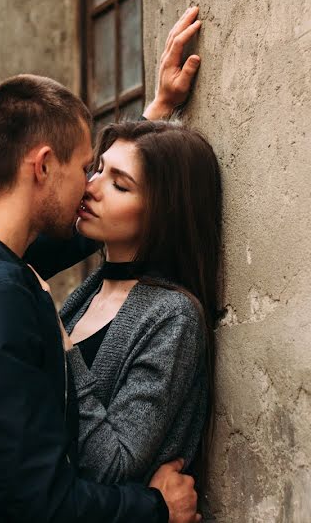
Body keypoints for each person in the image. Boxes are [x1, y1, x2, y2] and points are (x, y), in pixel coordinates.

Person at [0, 9, 204, 522]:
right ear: (43, 165)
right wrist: (156, 508)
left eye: (109, 177)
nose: (88, 188)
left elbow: (60, 235)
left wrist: (155, 121)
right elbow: (45, 503)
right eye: (85, 169)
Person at [29, 116, 221, 489]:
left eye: (119, 184)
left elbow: (113, 465)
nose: (90, 188)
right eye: (97, 170)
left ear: (164, 211)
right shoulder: (89, 293)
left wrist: (61, 345)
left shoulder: (172, 317)